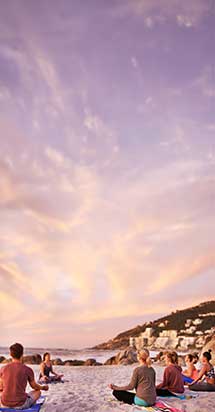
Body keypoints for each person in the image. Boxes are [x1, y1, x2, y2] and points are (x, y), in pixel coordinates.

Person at [0, 343, 48, 409]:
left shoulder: (3, 368)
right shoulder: (27, 369)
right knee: (38, 392)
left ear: (10, 354)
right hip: (21, 405)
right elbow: (34, 386)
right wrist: (43, 387)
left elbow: (1, 387)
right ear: (22, 354)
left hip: (4, 404)